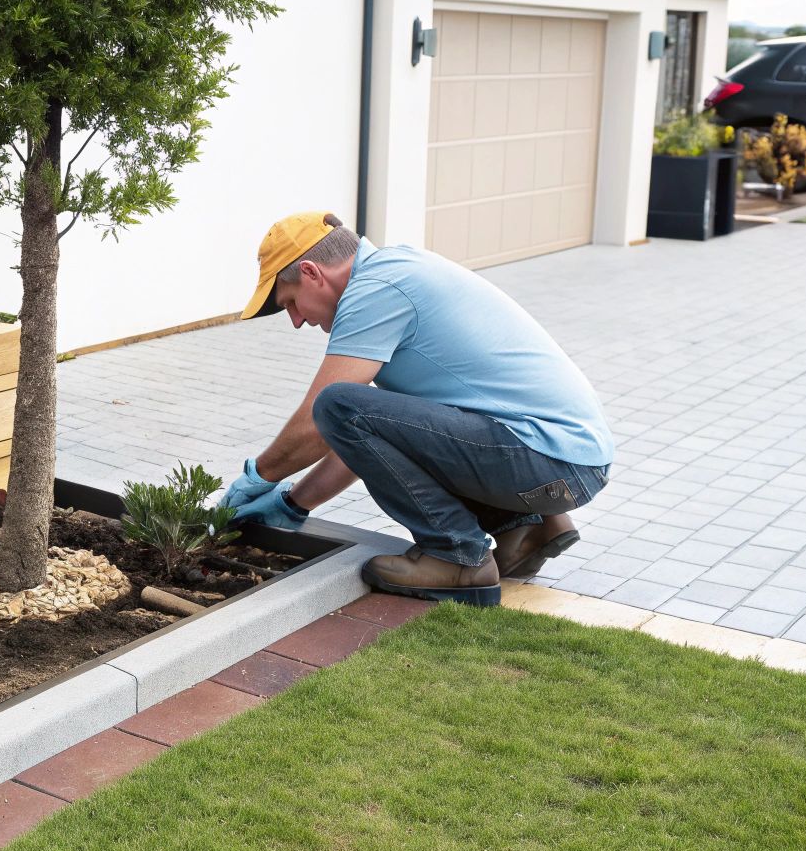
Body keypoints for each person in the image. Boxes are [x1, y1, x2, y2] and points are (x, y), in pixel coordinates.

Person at [225, 211, 614, 605]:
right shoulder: (398, 269)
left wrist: (257, 478)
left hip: (547, 459)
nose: (295, 321)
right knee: (349, 407)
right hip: (566, 463)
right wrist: (292, 505)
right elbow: (369, 442)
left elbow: (321, 420)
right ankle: (523, 531)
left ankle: (456, 557)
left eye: (290, 302)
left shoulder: (375, 290)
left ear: (311, 272)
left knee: (336, 402)